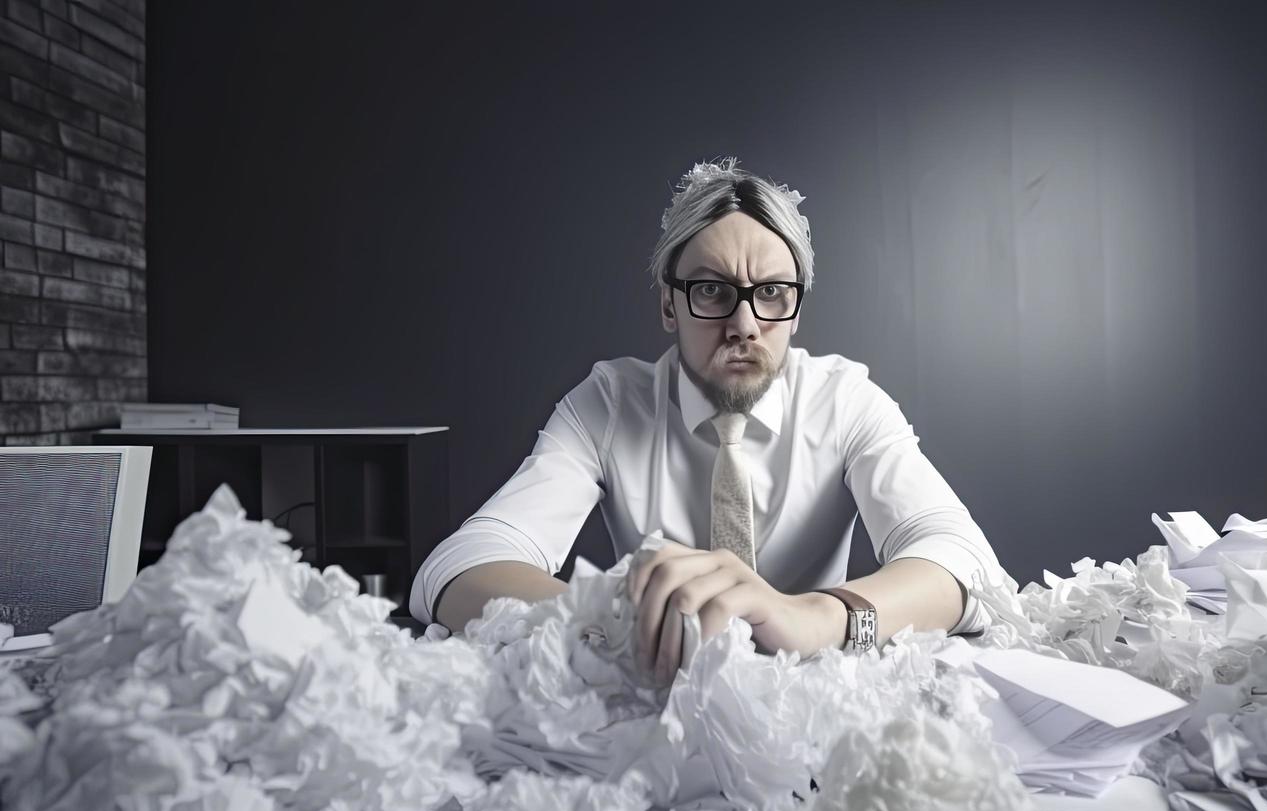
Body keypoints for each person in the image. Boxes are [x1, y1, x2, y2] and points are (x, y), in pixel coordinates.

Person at [409, 156, 1005, 688]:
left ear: (797, 309)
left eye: (771, 292)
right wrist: (624, 622)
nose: (745, 323)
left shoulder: (845, 400)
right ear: (669, 304)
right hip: (652, 714)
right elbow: (458, 566)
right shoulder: (610, 403)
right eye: (713, 290)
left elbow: (965, 562)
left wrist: (818, 618)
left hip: (819, 703)